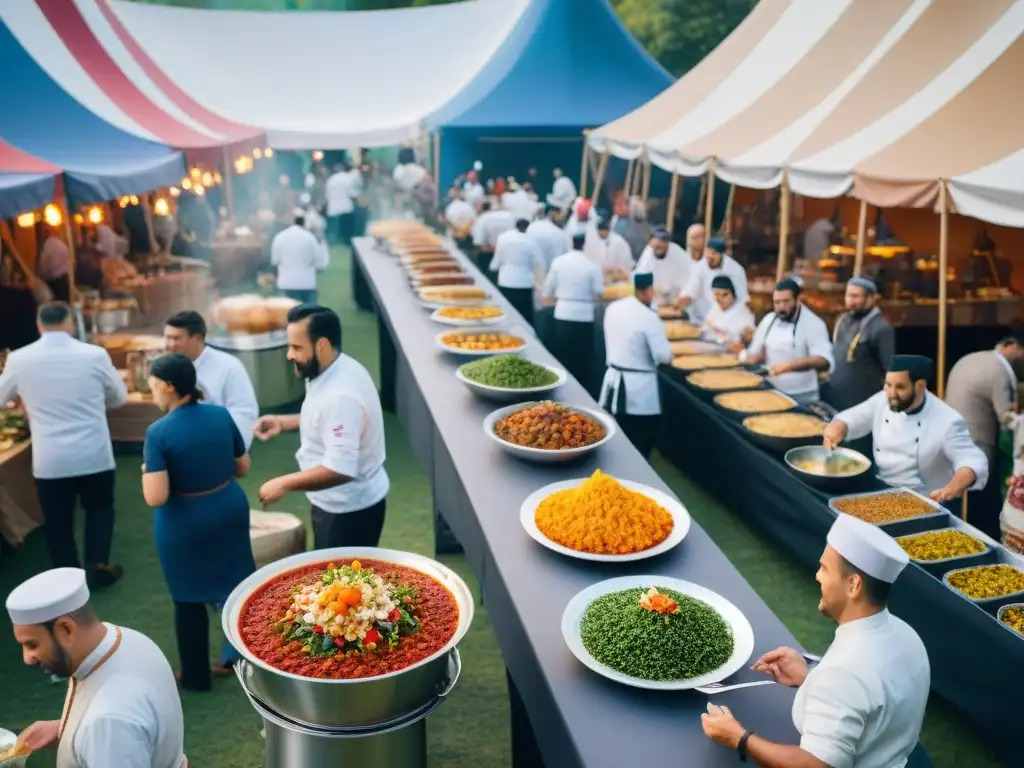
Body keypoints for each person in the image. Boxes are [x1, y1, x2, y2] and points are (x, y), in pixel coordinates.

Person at [701, 514, 930, 768]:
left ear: (853, 585)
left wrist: (738, 737)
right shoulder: (907, 635)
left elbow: (817, 765)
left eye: (825, 568)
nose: (817, 576)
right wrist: (810, 678)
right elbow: (873, 701)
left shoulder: (841, 675)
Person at [141, 353, 254, 691]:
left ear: (168, 386)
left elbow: (156, 497)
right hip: (229, 507)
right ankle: (241, 656)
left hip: (185, 523)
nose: (152, 394)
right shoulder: (220, 415)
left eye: (153, 387)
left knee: (188, 599)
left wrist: (148, 472)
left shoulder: (158, 433)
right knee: (238, 586)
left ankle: (196, 676)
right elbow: (242, 467)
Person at [0, 302, 127, 586]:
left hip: (50, 458)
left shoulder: (19, 359)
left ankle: (67, 578)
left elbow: (1, 398)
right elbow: (118, 398)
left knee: (57, 519)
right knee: (100, 508)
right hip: (94, 452)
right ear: (69, 323)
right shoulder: (95, 355)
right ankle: (98, 564)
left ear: (39, 325)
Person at [7, 568, 186, 767]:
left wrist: (95, 734)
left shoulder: (107, 723)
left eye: (32, 644)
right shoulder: (127, 639)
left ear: (66, 629)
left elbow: (112, 726)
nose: (27, 658)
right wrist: (65, 730)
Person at [254, 305, 389, 549]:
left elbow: (340, 469)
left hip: (346, 514)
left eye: (296, 348)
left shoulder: (340, 397)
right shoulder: (335, 367)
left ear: (322, 346)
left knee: (342, 583)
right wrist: (284, 423)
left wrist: (283, 483)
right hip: (343, 506)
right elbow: (327, 420)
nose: (289, 355)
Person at [823, 355, 989, 505]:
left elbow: (972, 460)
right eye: (888, 385)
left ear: (920, 386)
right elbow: (856, 416)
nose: (892, 394)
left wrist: (953, 488)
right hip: (879, 490)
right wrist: (839, 426)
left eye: (900, 387)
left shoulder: (947, 420)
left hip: (926, 499)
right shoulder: (883, 399)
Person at [942, 334, 1024, 536]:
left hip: (950, 438)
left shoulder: (973, 358)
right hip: (977, 440)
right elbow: (1005, 417)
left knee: (959, 495)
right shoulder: (999, 370)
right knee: (978, 502)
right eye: (1021, 350)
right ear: (1010, 345)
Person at [599, 272, 672, 460]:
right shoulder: (649, 318)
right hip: (639, 390)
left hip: (612, 380)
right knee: (640, 443)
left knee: (612, 438)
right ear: (649, 290)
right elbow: (663, 356)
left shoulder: (613, 308)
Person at [163, 311, 259, 451]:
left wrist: (229, 452)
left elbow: (244, 414)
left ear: (196, 338)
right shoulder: (164, 366)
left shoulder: (229, 366)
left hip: (215, 449)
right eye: (167, 338)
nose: (170, 345)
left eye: (176, 338)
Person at [741, 278, 833, 405]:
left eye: (786, 301)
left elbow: (823, 360)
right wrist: (751, 358)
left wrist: (789, 366)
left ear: (798, 299)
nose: (781, 307)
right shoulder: (768, 320)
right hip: (770, 389)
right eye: (777, 302)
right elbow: (754, 352)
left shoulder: (814, 324)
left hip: (801, 394)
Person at [542, 232, 604, 392]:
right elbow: (598, 292)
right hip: (584, 316)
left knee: (563, 357)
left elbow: (547, 290)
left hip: (563, 312)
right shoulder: (592, 265)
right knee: (582, 359)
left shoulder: (559, 262)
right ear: (584, 244)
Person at [824, 277, 895, 411]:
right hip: (835, 397)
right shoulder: (843, 320)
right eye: (848, 296)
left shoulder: (881, 328)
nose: (850, 301)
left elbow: (889, 369)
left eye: (856, 296)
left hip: (862, 402)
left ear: (872, 298)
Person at [674, 236, 749, 324]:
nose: (710, 256)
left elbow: (742, 299)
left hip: (727, 321)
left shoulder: (735, 270)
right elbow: (691, 289)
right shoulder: (699, 267)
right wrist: (683, 298)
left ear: (722, 255)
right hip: (701, 319)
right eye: (708, 252)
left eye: (714, 253)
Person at [489, 219, 545, 325]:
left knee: (505, 312)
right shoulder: (531, 241)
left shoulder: (503, 238)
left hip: (506, 280)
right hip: (524, 282)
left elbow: (496, 261)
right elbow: (539, 262)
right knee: (524, 315)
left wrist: (493, 269)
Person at [271, 209, 329, 304]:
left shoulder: (279, 238)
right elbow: (320, 264)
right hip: (307, 285)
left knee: (288, 316)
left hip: (286, 284)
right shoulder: (310, 238)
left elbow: (275, 261)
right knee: (309, 316)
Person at [634, 227, 694, 308]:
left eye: (663, 241)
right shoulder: (648, 252)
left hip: (678, 300)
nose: (660, 244)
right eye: (657, 240)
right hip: (655, 300)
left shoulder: (677, 253)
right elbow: (641, 275)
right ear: (651, 241)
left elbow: (691, 278)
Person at [702, 275, 756, 349]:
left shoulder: (745, 315)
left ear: (733, 295)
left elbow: (749, 342)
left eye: (725, 295)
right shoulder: (713, 310)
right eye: (717, 294)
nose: (720, 299)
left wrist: (747, 338)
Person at [584, 218, 634, 282]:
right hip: (609, 273)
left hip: (621, 274)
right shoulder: (599, 241)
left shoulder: (617, 241)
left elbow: (614, 262)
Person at [471, 200, 515, 272]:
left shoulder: (483, 218)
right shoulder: (509, 215)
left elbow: (478, 242)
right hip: (508, 253)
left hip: (488, 255)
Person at [526, 205, 571, 275]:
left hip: (531, 272)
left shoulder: (531, 227)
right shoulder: (559, 234)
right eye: (561, 215)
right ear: (553, 214)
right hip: (548, 273)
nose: (563, 218)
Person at [37, 225, 71, 302]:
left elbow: (43, 270)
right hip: (65, 280)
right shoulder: (57, 242)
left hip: (55, 284)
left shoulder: (46, 247)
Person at [326, 162, 357, 245]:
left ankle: (335, 242)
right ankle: (346, 242)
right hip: (346, 207)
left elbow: (327, 195)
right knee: (346, 229)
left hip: (333, 208)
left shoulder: (331, 180)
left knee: (335, 229)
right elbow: (352, 193)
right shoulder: (347, 178)